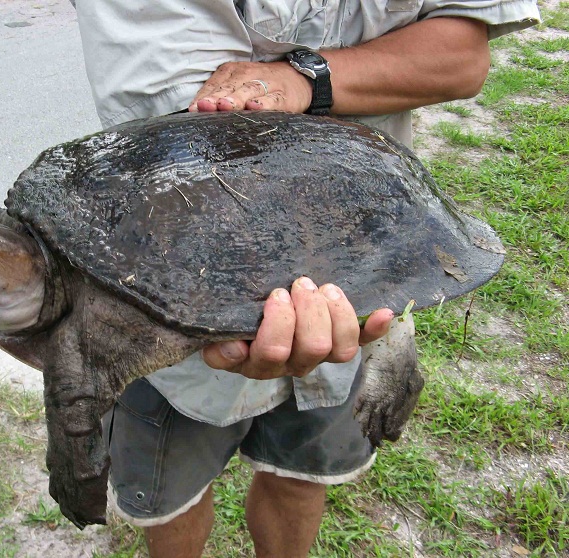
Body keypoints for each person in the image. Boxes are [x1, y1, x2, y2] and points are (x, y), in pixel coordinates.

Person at [70, 2, 540, 556]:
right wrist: (354, 79)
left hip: (362, 281)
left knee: (300, 479)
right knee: (173, 496)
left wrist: (302, 78)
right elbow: (185, 125)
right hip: (172, 296)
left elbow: (460, 58)